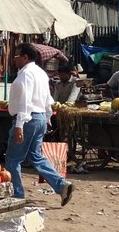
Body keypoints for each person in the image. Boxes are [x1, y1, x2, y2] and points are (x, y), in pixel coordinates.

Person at [5, 42, 74, 207]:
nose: (14, 59)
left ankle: (17, 195)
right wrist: (47, 118)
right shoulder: (41, 73)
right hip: (40, 117)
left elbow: (25, 101)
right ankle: (61, 185)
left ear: (25, 57)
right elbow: (47, 100)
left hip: (28, 119)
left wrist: (19, 125)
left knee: (13, 159)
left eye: (16, 56)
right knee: (35, 156)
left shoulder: (25, 75)